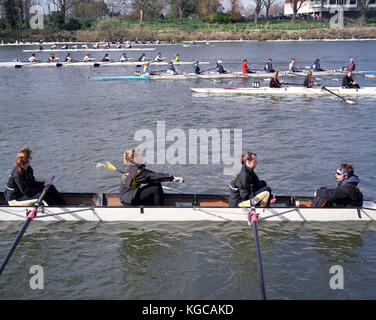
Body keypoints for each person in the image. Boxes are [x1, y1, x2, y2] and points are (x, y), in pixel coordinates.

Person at [119, 148, 184, 206]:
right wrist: (171, 178)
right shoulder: (138, 172)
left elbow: (151, 174)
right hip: (129, 201)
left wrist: (172, 177)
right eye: (140, 156)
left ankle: (154, 205)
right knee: (156, 188)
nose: (142, 157)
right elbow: (152, 176)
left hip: (128, 197)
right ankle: (159, 210)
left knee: (155, 183)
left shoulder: (132, 169)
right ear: (134, 159)